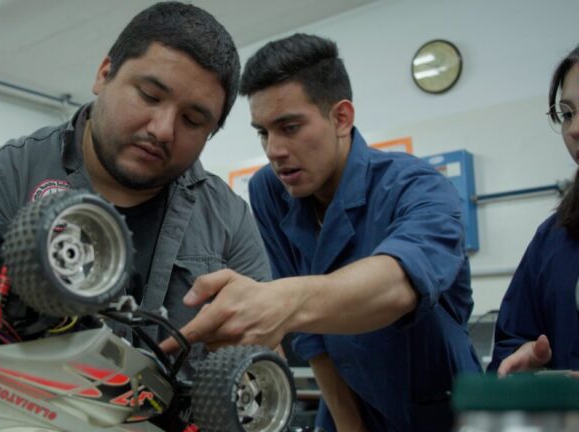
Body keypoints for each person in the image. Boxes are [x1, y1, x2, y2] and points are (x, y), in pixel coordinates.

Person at [161, 34, 481, 431]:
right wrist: (349, 426)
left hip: (442, 409)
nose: (274, 150)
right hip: (347, 400)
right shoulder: (270, 191)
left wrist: (283, 301)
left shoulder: (420, 187)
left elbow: (398, 284)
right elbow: (312, 336)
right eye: (263, 132)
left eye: (290, 127)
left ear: (341, 117)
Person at [0, 2, 269, 357]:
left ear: (211, 133)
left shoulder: (228, 220)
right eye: (149, 96)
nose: (162, 130)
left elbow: (261, 364)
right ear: (104, 74)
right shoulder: (2, 178)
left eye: (191, 120)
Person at [488, 44, 579, 377]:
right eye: (568, 113)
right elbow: (512, 340)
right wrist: (521, 361)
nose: (573, 130)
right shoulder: (553, 239)